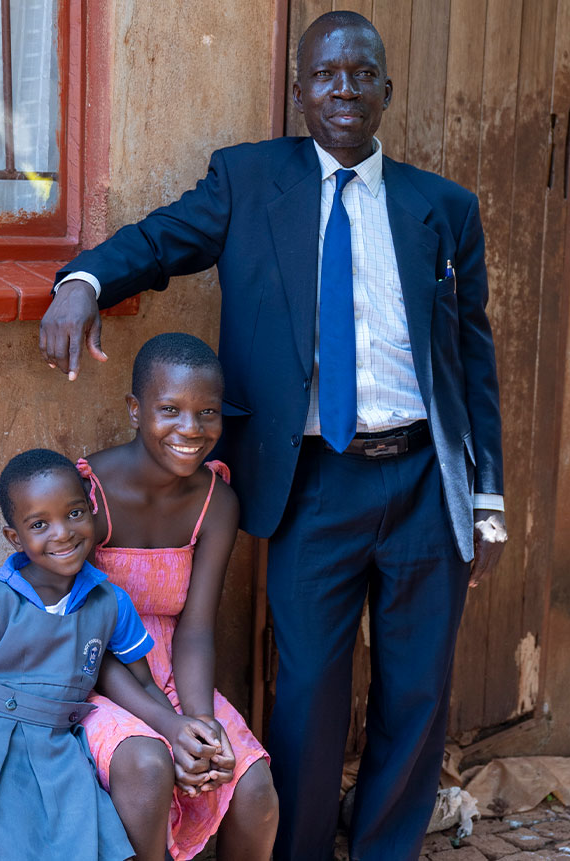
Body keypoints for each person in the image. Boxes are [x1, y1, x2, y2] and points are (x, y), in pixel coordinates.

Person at [38, 11, 508, 861]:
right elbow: (159, 240)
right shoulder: (250, 182)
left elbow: (473, 358)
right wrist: (84, 279)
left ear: (386, 91)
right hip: (313, 482)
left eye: (361, 75)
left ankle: (383, 848)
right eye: (325, 75)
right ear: (298, 92)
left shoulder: (444, 209)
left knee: (416, 690)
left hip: (419, 485)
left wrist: (487, 496)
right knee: (309, 690)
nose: (344, 91)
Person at [0, 448, 210, 861]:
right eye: (39, 524)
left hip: (62, 756)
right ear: (15, 538)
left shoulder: (110, 602)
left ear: (92, 510)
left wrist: (174, 732)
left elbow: (143, 682)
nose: (61, 533)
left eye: (74, 513)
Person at [77, 332, 278, 861]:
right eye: (170, 409)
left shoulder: (217, 502)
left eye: (207, 412)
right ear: (135, 410)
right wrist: (169, 727)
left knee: (252, 787)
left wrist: (199, 724)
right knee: (149, 766)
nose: (191, 429)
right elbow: (80, 635)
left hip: (172, 669)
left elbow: (195, 630)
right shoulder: (87, 498)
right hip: (96, 674)